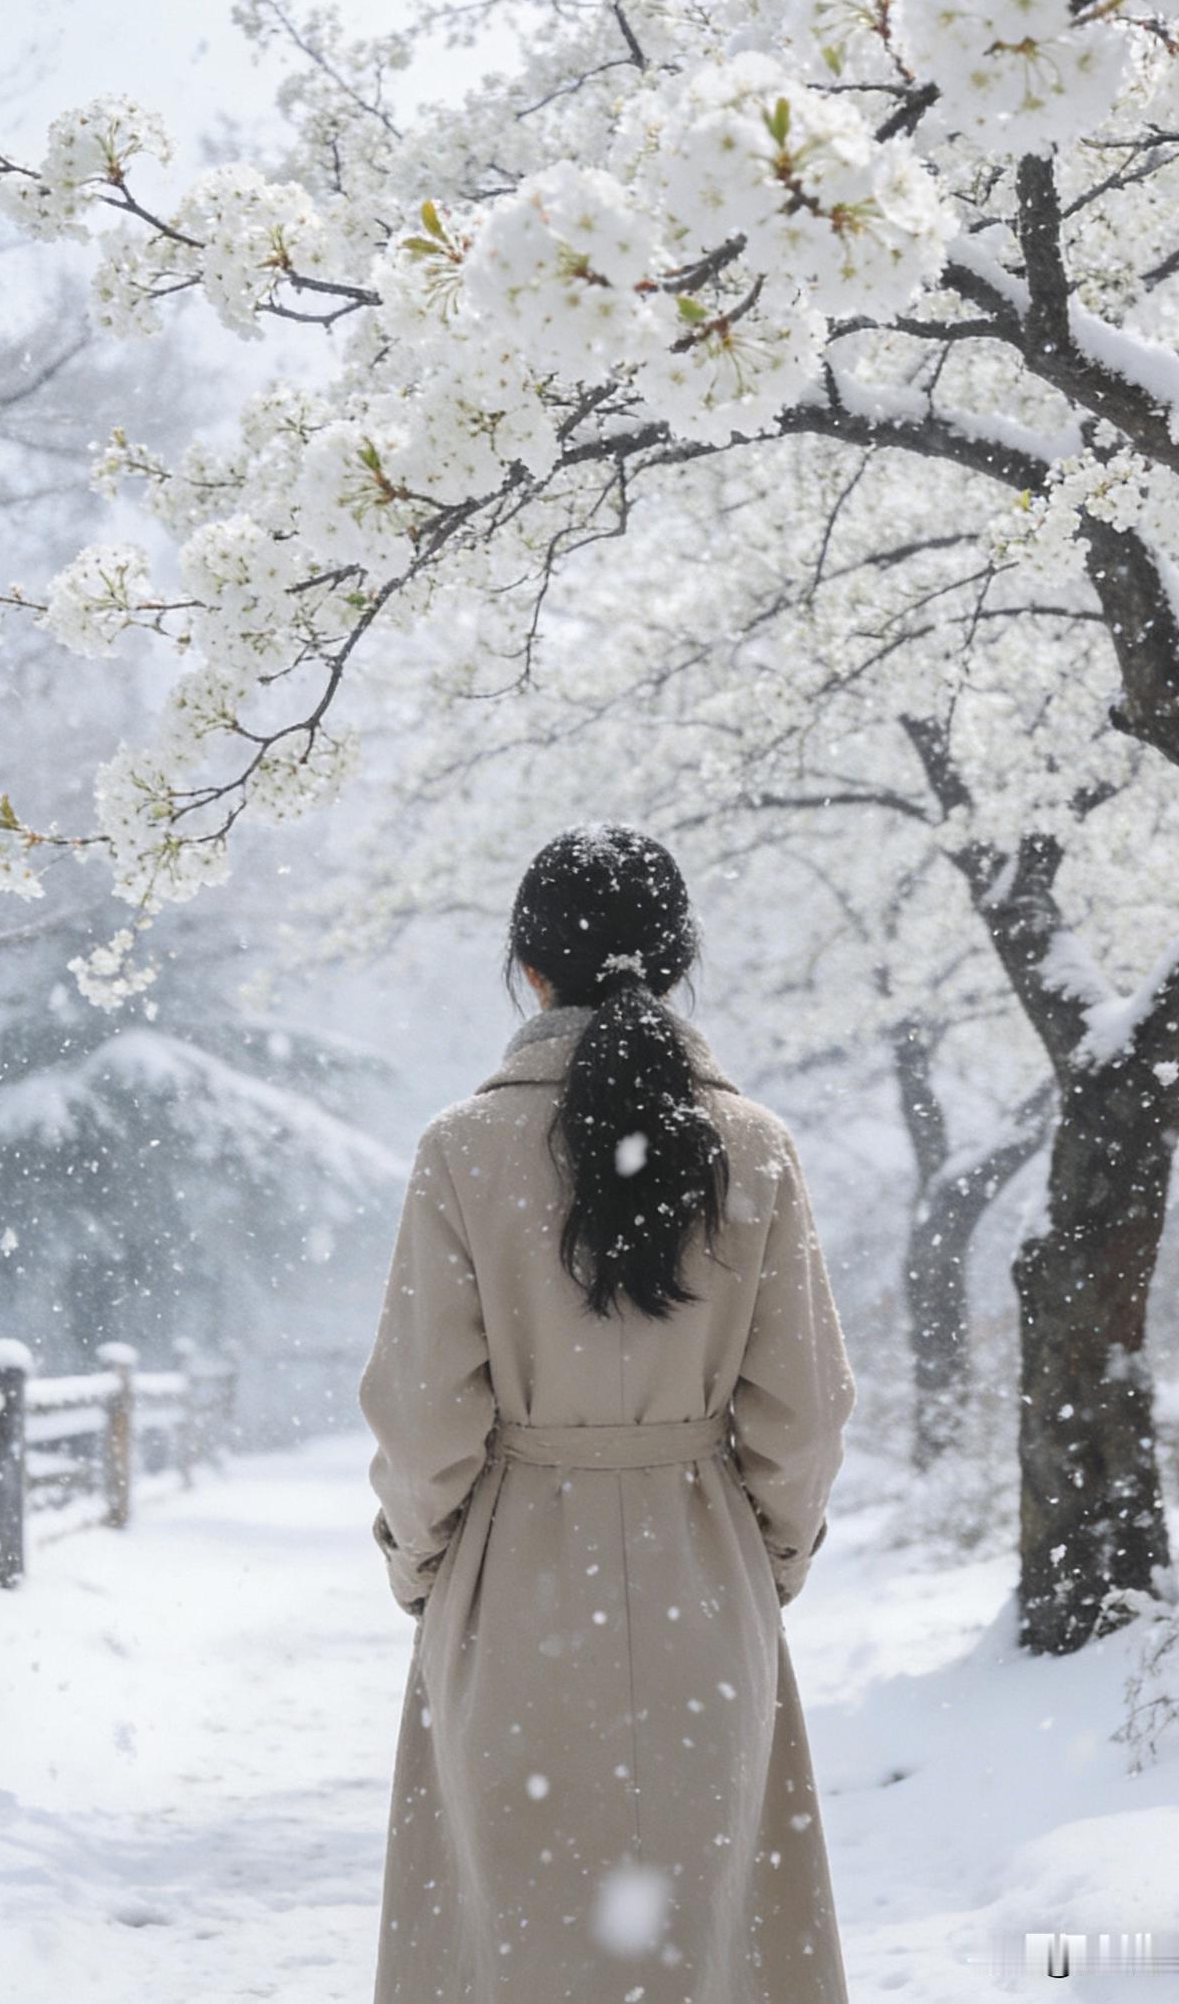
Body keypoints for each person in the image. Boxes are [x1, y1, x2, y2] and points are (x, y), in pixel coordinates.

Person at [358, 823, 858, 2004]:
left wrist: (424, 1569)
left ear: (530, 967)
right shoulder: (754, 1147)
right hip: (703, 1578)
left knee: (512, 1935)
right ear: (678, 959)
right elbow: (804, 1415)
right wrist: (761, 1560)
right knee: (708, 1935)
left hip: (511, 1577)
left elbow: (422, 1417)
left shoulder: (463, 1148)